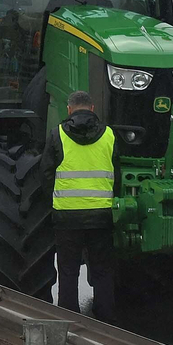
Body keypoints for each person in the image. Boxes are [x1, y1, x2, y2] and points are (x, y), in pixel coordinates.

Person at [48, 90, 117, 321]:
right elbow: (116, 171)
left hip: (67, 218)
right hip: (100, 216)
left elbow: (45, 174)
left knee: (68, 271)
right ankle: (105, 320)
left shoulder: (57, 134)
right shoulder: (109, 135)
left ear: (69, 110)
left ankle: (69, 320)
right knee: (102, 271)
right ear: (92, 109)